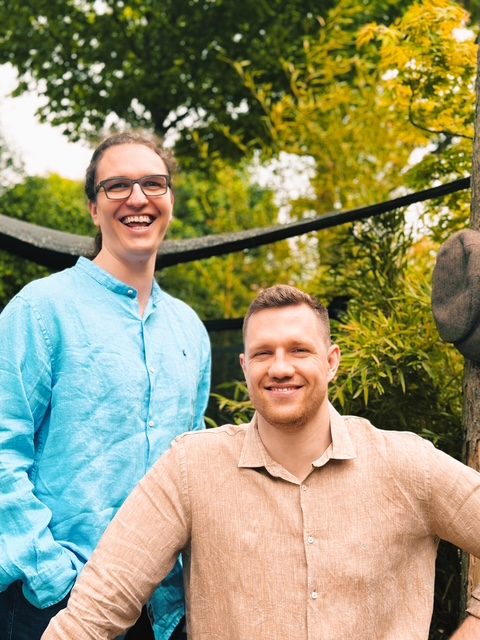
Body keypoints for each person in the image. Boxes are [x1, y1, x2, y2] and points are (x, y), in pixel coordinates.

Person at [42, 284, 480, 639]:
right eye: (264, 353)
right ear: (245, 366)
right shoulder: (191, 469)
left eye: (299, 350)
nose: (280, 367)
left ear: (331, 362)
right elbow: (98, 606)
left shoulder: (406, 465)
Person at [0, 132, 211, 640]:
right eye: (117, 186)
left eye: (153, 184)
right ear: (94, 208)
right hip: (57, 604)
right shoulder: (40, 309)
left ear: (170, 201)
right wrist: (53, 579)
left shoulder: (190, 330)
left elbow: (196, 464)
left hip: (162, 611)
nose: (137, 198)